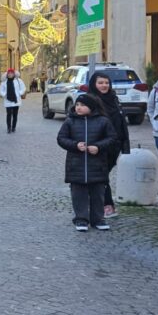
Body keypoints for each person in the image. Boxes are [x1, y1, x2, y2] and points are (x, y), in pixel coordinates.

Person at [57, 94, 117, 231]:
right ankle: (81, 219)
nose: (79, 108)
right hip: (76, 164)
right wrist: (75, 145)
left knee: (98, 193)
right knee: (78, 193)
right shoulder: (70, 121)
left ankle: (98, 219)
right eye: (77, 105)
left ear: (91, 107)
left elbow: (112, 138)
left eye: (82, 105)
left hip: (97, 165)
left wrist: (98, 147)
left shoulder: (103, 121)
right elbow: (61, 138)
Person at [88, 71, 130, 219]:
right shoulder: (90, 100)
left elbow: (121, 121)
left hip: (114, 144)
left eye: (106, 82)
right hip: (98, 144)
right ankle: (106, 205)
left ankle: (102, 205)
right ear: (94, 84)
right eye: (100, 83)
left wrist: (124, 143)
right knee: (102, 174)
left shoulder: (113, 99)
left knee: (103, 173)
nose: (104, 85)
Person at [0, 68, 25, 133]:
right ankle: (9, 128)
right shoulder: (4, 82)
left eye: (11, 73)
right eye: (9, 73)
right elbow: (1, 90)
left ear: (14, 74)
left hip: (16, 100)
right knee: (9, 114)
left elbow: (23, 88)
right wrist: (5, 94)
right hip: (8, 100)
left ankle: (13, 127)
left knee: (15, 115)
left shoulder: (18, 80)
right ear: (7, 74)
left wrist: (19, 93)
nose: (10, 74)